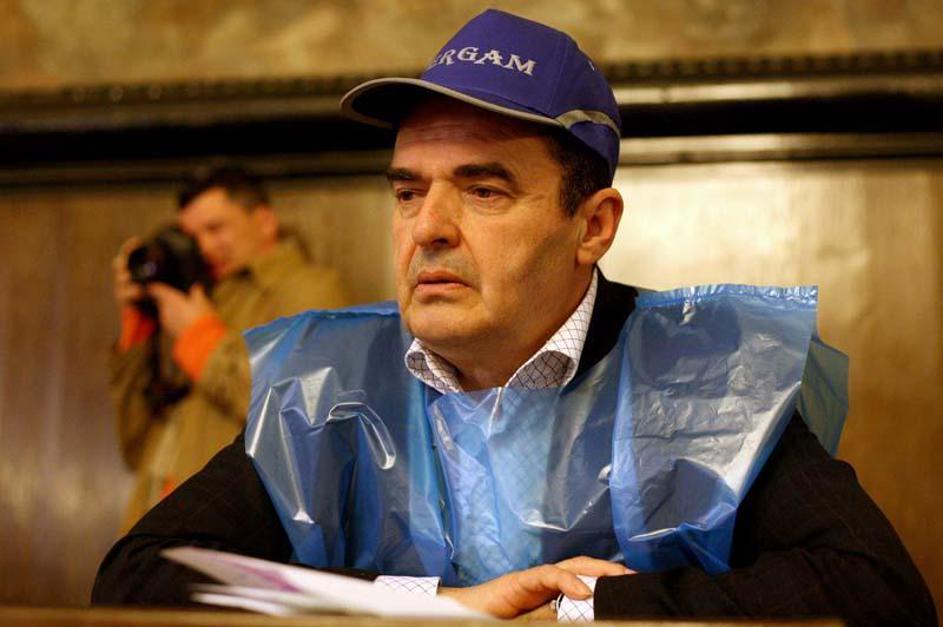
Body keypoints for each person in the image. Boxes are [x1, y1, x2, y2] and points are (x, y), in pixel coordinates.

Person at [94, 11, 936, 625]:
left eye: (484, 189)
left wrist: (575, 610)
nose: (428, 227)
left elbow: (877, 593)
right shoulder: (331, 380)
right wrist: (441, 608)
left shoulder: (701, 371)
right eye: (407, 191)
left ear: (591, 225)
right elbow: (141, 576)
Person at [109, 164, 350, 530]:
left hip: (228, 540)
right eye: (192, 236)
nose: (204, 247)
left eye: (216, 228)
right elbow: (136, 448)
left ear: (264, 221)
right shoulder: (200, 300)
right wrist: (139, 331)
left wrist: (201, 340)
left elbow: (302, 417)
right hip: (156, 531)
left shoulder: (309, 289)